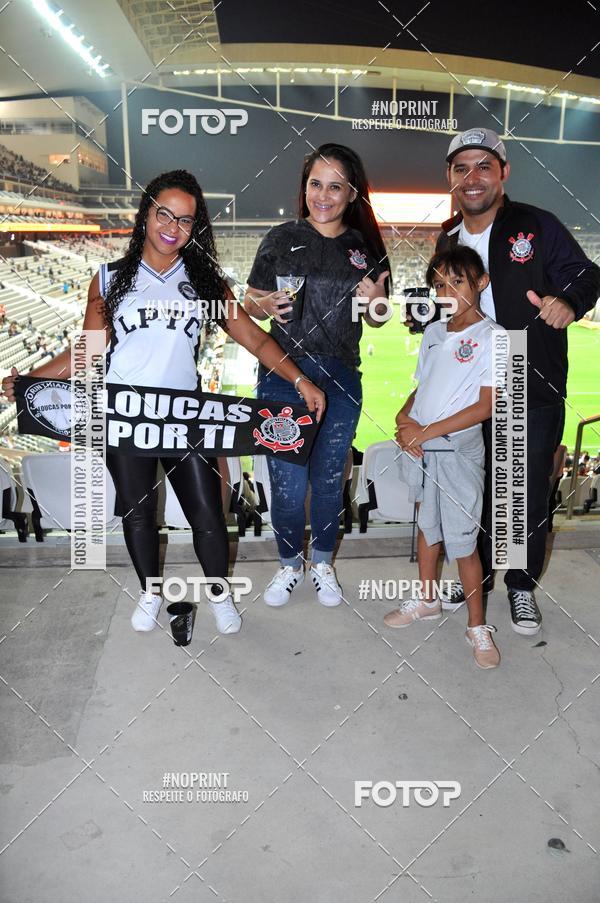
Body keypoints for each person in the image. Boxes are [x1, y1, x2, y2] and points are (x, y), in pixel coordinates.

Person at [2, 169, 325, 636]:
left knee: (208, 514)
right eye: (164, 214)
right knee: (136, 514)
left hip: (185, 416)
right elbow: (87, 350)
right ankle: (150, 591)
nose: (173, 227)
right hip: (124, 417)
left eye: (186, 220)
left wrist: (300, 381)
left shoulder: (206, 283)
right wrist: (31, 380)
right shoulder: (108, 278)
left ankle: (219, 594)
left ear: (197, 228)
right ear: (146, 214)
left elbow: (253, 338)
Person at [410, 127, 600, 637]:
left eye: (483, 167)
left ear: (503, 173)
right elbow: (447, 301)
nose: (472, 178)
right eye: (461, 168)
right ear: (450, 177)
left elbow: (586, 275)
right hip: (462, 382)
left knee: (520, 492)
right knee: (471, 487)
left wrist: (567, 302)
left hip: (521, 368)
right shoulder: (448, 234)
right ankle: (478, 580)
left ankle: (518, 584)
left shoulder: (536, 225)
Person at [244, 143, 391, 607]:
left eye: (334, 186)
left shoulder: (365, 246)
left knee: (329, 480)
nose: (323, 195)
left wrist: (375, 305)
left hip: (342, 376)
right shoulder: (279, 238)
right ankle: (289, 564)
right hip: (282, 373)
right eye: (315, 184)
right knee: (287, 484)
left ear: (351, 193)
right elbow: (248, 304)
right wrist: (263, 304)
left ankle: (322, 561)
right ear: (304, 187)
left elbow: (380, 315)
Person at [384, 246, 501, 669]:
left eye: (457, 282)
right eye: (439, 285)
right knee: (427, 528)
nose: (446, 291)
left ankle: (476, 626)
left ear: (480, 282)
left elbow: (486, 405)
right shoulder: (433, 331)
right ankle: (428, 601)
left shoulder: (493, 337)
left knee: (464, 542)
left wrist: (425, 430)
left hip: (457, 450)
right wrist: (404, 416)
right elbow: (424, 385)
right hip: (422, 447)